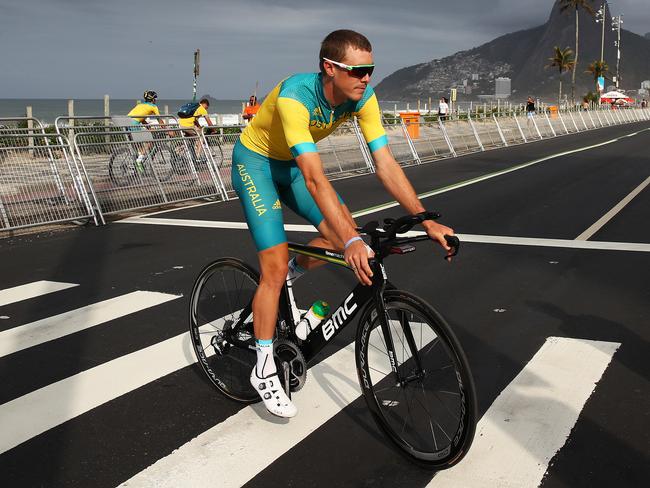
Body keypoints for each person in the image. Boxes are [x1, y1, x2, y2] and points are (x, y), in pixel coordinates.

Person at [231, 29, 456, 418]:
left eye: (371, 69)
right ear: (329, 68)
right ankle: (264, 366)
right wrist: (351, 239)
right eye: (358, 70)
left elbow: (385, 163)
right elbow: (316, 178)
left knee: (339, 237)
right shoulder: (295, 98)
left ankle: (292, 274)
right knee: (275, 262)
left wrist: (426, 220)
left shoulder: (362, 97)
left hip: (293, 170)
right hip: (257, 165)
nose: (367, 77)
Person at [127, 90, 160, 169]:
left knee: (139, 144)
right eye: (155, 98)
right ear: (153, 99)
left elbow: (140, 118)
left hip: (126, 123)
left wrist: (147, 126)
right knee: (150, 140)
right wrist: (167, 129)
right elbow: (160, 120)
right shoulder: (153, 107)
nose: (156, 100)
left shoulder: (140, 105)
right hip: (134, 124)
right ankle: (139, 160)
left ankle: (138, 158)